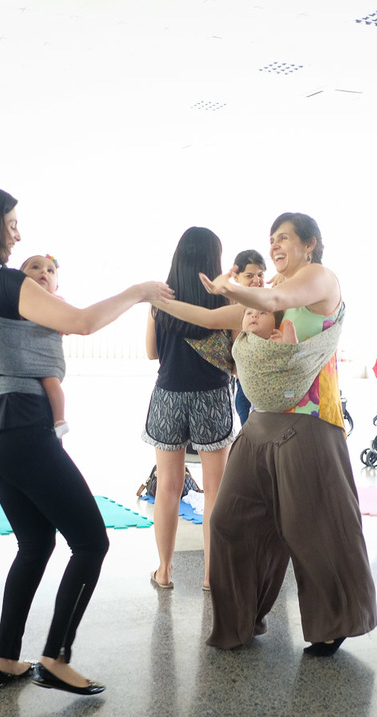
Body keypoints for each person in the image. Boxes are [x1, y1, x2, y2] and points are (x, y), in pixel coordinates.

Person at [0, 184, 171, 696]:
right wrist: (140, 292)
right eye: (11, 223)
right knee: (91, 541)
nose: (18, 232)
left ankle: (5, 658)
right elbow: (83, 322)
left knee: (36, 542)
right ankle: (56, 658)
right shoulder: (2, 283)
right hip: (22, 427)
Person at [153, 212, 377, 656]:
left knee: (313, 530)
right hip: (259, 426)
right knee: (229, 521)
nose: (275, 246)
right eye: (271, 238)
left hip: (310, 424)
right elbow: (208, 317)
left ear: (309, 243)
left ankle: (334, 623)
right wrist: (152, 299)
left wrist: (233, 288)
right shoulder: (271, 292)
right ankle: (239, 620)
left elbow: (273, 295)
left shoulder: (318, 279)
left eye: (285, 238)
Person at [143, 227, 235, 592]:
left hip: (168, 396)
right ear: (213, 260)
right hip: (211, 397)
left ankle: (164, 572)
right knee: (214, 490)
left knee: (167, 487)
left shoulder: (160, 300)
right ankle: (212, 576)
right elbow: (232, 356)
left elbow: (152, 352)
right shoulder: (223, 303)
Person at [19, 254, 69, 437]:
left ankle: (59, 419)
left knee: (52, 383)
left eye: (50, 271)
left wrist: (64, 325)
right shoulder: (19, 299)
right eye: (35, 267)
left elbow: (72, 320)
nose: (43, 272)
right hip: (23, 358)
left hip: (47, 358)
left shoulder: (57, 301)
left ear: (56, 285)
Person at [231, 250, 267, 425]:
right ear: (236, 278)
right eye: (249, 276)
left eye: (260, 275)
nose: (256, 281)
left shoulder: (272, 301)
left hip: (269, 379)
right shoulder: (231, 306)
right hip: (244, 382)